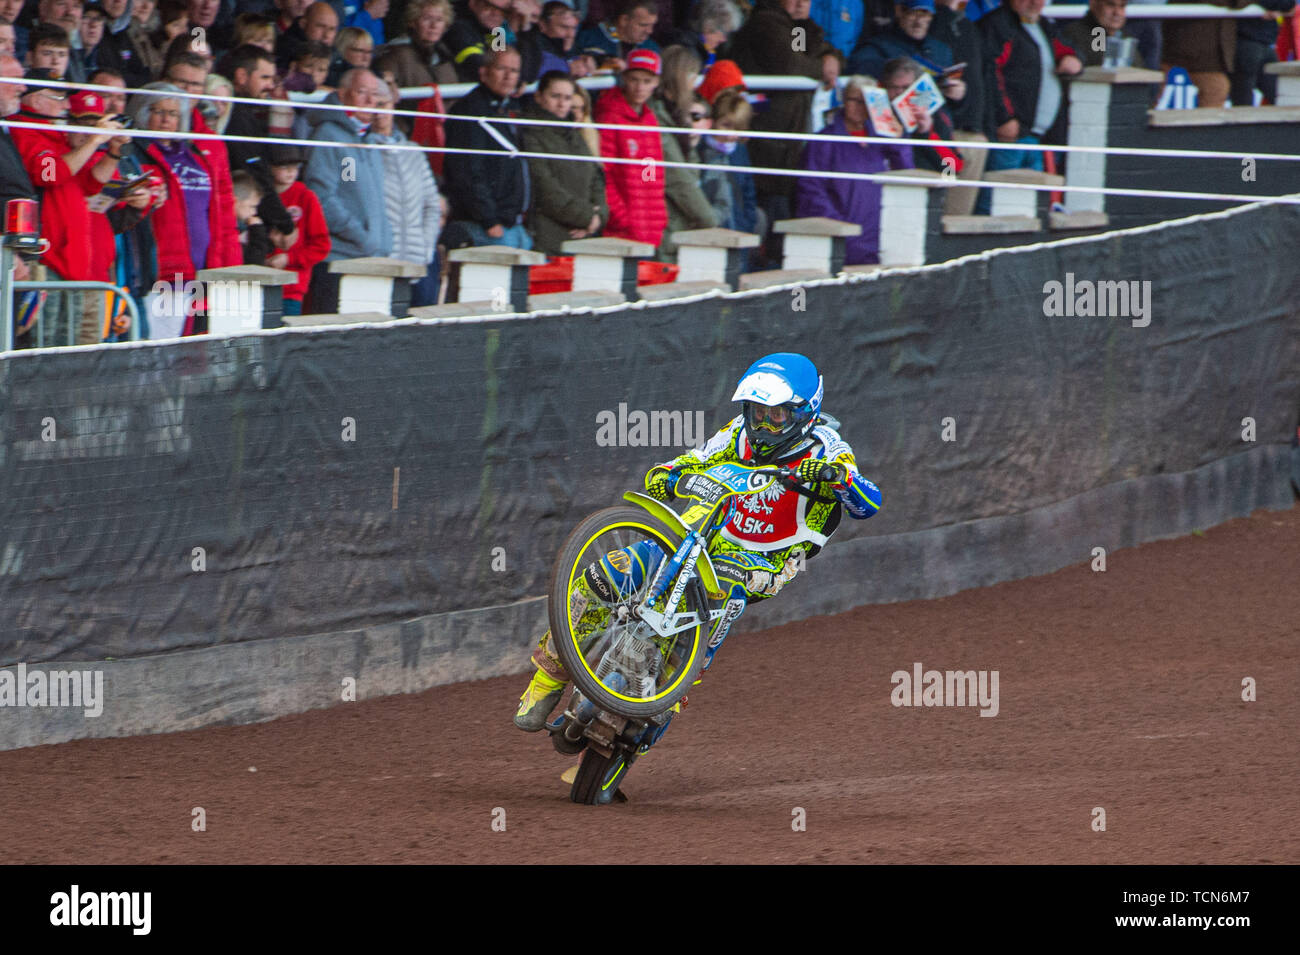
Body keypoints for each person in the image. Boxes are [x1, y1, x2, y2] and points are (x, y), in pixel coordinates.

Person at [514, 352, 884, 733]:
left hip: (762, 562)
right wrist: (668, 473)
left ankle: (657, 714)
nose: (764, 424)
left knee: (709, 613)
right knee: (599, 579)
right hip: (696, 538)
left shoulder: (828, 449)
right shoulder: (737, 434)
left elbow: (869, 503)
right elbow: (697, 459)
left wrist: (837, 479)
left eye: (776, 416)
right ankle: (544, 685)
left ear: (805, 412)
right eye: (757, 412)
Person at [131, 81, 240, 336]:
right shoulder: (134, 154)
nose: (166, 120)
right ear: (144, 113)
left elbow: (223, 212)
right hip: (165, 275)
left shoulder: (195, 154)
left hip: (204, 270)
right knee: (161, 352)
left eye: (173, 113)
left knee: (195, 354)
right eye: (158, 112)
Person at [729, 0, 837, 234]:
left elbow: (804, 53)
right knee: (763, 207)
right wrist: (823, 68)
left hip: (787, 137)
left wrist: (830, 56)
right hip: (766, 136)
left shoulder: (796, 28)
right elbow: (793, 65)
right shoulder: (765, 22)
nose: (800, 4)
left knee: (780, 207)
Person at [796, 74, 914, 265]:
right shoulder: (825, 140)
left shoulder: (883, 138)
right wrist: (845, 233)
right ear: (844, 100)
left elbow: (907, 176)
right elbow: (811, 192)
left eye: (867, 101)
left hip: (880, 240)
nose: (861, 106)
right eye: (855, 100)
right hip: (843, 241)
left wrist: (899, 140)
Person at [441, 46, 531, 249]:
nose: (508, 76)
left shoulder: (504, 108)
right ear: (483, 72)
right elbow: (467, 172)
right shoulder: (470, 111)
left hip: (511, 224)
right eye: (501, 68)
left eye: (514, 71)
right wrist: (489, 220)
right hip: (486, 226)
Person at [979, 0, 1081, 178]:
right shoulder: (999, 26)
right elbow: (990, 75)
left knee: (1030, 201)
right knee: (1000, 199)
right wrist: (1004, 118)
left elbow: (1069, 47)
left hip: (1039, 137)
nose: (1035, 3)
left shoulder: (1043, 24)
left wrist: (1072, 58)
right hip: (1010, 136)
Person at [303, 67, 392, 266]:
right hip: (341, 258)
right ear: (342, 94)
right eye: (362, 92)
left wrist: (384, 238)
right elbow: (323, 199)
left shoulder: (366, 138)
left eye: (375, 94)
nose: (370, 101)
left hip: (369, 256)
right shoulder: (330, 136)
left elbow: (349, 186)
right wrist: (361, 236)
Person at [367, 78, 442, 305]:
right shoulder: (356, 152)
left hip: (420, 261)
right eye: (372, 106)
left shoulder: (414, 151)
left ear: (393, 105)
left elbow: (432, 205)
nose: (378, 112)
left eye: (384, 104)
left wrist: (426, 245)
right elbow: (352, 196)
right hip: (380, 262)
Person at [518, 70, 607, 255]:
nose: (561, 104)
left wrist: (598, 217)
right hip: (547, 237)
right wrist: (588, 217)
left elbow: (596, 178)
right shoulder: (530, 132)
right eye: (555, 96)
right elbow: (545, 187)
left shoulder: (574, 133)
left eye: (567, 98)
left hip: (583, 235)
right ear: (539, 97)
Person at [594, 47, 666, 248]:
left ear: (656, 82)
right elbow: (604, 172)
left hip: (648, 225)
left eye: (646, 81)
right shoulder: (610, 116)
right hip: (622, 228)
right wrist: (620, 216)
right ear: (625, 78)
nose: (640, 87)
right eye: (634, 79)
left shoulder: (650, 119)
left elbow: (650, 171)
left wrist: (657, 216)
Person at [265, 143, 329, 316]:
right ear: (270, 167)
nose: (291, 172)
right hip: (259, 283)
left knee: (285, 339)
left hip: (292, 289)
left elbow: (321, 245)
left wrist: (289, 258)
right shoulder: (261, 195)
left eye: (295, 167)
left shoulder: (306, 197)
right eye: (284, 166)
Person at [576, 0, 661, 70]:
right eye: (643, 25)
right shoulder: (588, 38)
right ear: (624, 20)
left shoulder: (652, 49)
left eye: (652, 25)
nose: (650, 31)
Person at [444, 0, 513, 81]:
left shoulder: (497, 31)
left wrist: (524, 29)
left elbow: (513, 64)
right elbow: (477, 66)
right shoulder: (458, 27)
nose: (496, 13)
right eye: (489, 6)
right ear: (473, 3)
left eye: (503, 11)